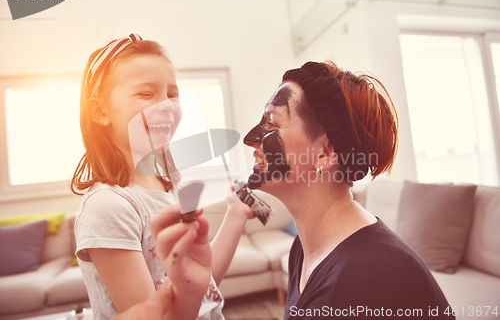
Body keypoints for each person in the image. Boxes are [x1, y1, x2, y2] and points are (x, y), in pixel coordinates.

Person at [242, 61, 454, 319]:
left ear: (325, 153)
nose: (250, 138)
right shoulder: (302, 249)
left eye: (272, 124)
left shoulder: (381, 273)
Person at [71, 34, 254, 320]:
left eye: (172, 95)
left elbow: (199, 282)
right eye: (146, 93)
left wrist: (235, 215)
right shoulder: (108, 207)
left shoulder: (168, 187)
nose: (167, 105)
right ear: (100, 110)